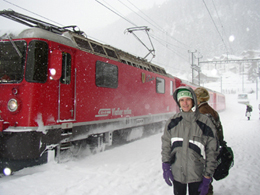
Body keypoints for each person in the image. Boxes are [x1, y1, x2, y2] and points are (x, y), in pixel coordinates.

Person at [161, 86, 219, 195]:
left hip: (198, 175)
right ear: (178, 102)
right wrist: (166, 165)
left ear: (193, 100)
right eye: (182, 100)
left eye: (188, 99)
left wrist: (207, 177)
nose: (185, 103)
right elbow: (166, 146)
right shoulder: (172, 122)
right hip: (177, 174)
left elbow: (212, 151)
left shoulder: (205, 122)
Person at [194, 87, 225, 195]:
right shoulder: (212, 111)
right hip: (212, 149)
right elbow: (220, 132)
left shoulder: (200, 112)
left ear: (198, 98)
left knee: (201, 178)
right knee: (207, 177)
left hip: (204, 151)